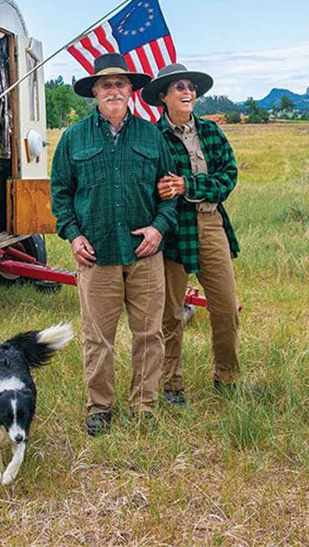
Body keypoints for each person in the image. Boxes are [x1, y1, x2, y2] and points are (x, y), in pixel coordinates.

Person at [50, 53, 178, 436]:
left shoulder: (150, 136)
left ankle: (144, 406)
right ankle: (99, 408)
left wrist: (158, 228)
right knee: (97, 338)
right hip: (97, 254)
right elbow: (60, 193)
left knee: (149, 334)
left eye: (121, 84)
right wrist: (73, 234)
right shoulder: (74, 138)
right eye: (106, 84)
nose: (114, 90)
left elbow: (169, 192)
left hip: (145, 253)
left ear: (131, 90)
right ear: (94, 91)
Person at [141, 62, 244, 405]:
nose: (188, 93)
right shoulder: (153, 138)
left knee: (226, 305)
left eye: (191, 88)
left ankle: (227, 378)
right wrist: (168, 190)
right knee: (171, 312)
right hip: (173, 228)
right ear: (163, 97)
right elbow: (153, 185)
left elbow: (228, 177)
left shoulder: (211, 132)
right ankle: (172, 386)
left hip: (210, 221)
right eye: (179, 88)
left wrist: (187, 185)